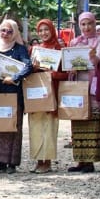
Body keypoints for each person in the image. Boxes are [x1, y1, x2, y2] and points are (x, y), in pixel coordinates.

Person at [0, 19, 31, 173]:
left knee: (13, 126)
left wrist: (15, 77)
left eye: (9, 31)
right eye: (3, 30)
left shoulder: (19, 49)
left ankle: (11, 162)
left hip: (13, 91)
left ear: (15, 32)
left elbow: (28, 65)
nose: (5, 34)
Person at [66, 11, 100, 173]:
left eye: (89, 23)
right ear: (79, 25)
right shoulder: (75, 41)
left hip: (93, 85)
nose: (86, 27)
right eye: (83, 24)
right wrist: (72, 68)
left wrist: (92, 56)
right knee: (77, 120)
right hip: (78, 85)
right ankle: (80, 160)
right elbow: (69, 64)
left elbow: (99, 60)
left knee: (92, 120)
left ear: (94, 23)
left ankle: (90, 160)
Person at [28, 18, 67, 173]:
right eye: (41, 30)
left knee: (49, 128)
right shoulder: (35, 50)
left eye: (46, 30)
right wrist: (34, 68)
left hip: (52, 93)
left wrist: (51, 74)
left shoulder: (59, 48)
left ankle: (47, 162)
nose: (44, 33)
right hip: (37, 94)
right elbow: (30, 73)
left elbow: (66, 75)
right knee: (36, 127)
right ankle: (38, 160)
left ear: (52, 30)